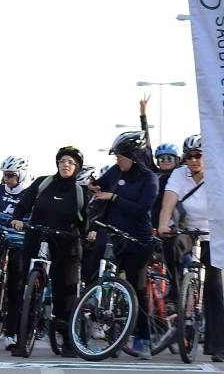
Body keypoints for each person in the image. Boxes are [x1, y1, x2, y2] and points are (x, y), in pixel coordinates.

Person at [84, 130, 158, 359]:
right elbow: (99, 185)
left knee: (137, 289)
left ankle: (143, 338)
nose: (117, 161)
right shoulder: (116, 171)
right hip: (113, 233)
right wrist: (92, 186)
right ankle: (100, 322)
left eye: (120, 157)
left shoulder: (149, 179)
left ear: (134, 157)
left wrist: (114, 198)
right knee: (94, 269)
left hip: (138, 239)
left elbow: (141, 209)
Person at [10, 146, 90, 357]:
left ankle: (67, 340)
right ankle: (21, 340)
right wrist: (17, 218)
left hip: (67, 243)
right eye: (63, 161)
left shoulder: (80, 192)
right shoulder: (43, 183)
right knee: (25, 285)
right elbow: (23, 205)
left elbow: (84, 221)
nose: (66, 164)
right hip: (37, 237)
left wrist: (89, 233)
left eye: (71, 162)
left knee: (66, 294)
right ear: (57, 164)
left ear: (77, 167)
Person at [156, 134, 224, 361]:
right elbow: (169, 199)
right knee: (171, 242)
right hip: (186, 229)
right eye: (189, 157)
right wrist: (163, 224)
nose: (193, 160)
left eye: (198, 155)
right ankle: (177, 292)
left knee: (215, 286)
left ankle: (217, 346)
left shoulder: (217, 174)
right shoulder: (178, 174)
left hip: (213, 232)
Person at [0, 155, 32, 350]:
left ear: (21, 175)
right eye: (5, 175)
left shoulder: (30, 192)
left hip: (19, 242)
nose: (7, 179)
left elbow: (35, 214)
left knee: (16, 287)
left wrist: (25, 225)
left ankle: (10, 332)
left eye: (11, 175)